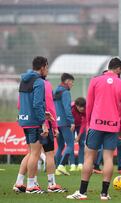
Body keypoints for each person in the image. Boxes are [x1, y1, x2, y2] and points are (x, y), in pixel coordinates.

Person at [67, 57, 121, 200]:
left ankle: (82, 192)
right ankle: (104, 194)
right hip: (113, 126)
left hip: (96, 124)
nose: (120, 74)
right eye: (120, 71)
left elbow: (89, 104)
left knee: (89, 157)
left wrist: (88, 123)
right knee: (108, 158)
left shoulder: (95, 80)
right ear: (118, 69)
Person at [17, 56, 49, 193]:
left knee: (30, 153)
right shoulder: (39, 82)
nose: (47, 70)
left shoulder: (24, 80)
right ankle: (31, 186)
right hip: (34, 122)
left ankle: (19, 183)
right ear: (42, 67)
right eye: (47, 67)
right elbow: (36, 104)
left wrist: (44, 113)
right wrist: (43, 122)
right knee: (35, 154)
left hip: (24, 120)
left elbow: (24, 102)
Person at [54, 73, 76, 175]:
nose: (72, 85)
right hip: (65, 122)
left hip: (56, 122)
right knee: (70, 144)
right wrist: (71, 121)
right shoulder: (66, 92)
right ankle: (62, 166)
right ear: (67, 81)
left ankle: (56, 169)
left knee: (61, 146)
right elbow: (67, 108)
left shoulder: (55, 91)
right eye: (72, 82)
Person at [72, 97, 87, 171]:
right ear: (76, 105)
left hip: (81, 126)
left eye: (83, 107)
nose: (82, 109)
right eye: (80, 107)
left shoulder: (86, 109)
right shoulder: (71, 107)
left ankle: (81, 164)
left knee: (82, 144)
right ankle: (72, 164)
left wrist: (78, 136)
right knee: (70, 145)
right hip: (71, 126)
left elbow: (84, 123)